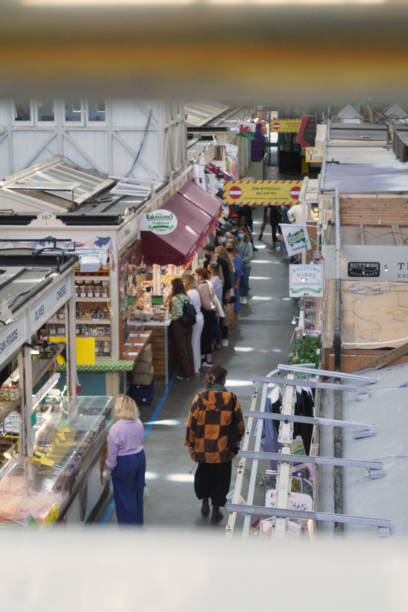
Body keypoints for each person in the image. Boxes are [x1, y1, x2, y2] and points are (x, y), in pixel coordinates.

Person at [185, 365, 245, 524]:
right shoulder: (231, 399)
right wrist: (237, 439)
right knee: (220, 480)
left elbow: (191, 423)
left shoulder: (199, 398)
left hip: (202, 450)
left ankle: (205, 504)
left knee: (204, 477)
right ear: (223, 380)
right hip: (223, 450)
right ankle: (216, 511)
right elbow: (239, 424)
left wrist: (190, 444)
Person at [105, 395, 146, 525]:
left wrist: (109, 467)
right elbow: (141, 440)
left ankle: (129, 529)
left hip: (125, 462)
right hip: (140, 458)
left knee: (124, 496)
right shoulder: (138, 422)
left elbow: (112, 454)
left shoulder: (116, 428)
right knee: (138, 493)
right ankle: (138, 523)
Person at [170, 277, 195, 381]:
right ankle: (191, 370)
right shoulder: (186, 296)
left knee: (181, 349)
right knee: (188, 347)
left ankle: (186, 374)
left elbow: (178, 314)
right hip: (189, 325)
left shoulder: (175, 299)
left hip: (180, 326)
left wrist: (172, 316)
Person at [182, 274, 204, 375]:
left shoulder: (190, 293)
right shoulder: (195, 291)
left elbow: (183, 305)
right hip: (199, 318)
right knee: (196, 343)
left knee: (194, 343)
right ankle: (197, 365)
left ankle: (195, 368)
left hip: (195, 319)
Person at [195, 267, 216, 367]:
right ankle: (206, 358)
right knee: (206, 337)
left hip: (206, 314)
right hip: (210, 314)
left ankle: (208, 360)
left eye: (195, 274)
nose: (195, 276)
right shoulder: (207, 284)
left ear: (200, 276)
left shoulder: (202, 287)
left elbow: (206, 304)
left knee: (205, 337)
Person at [215, 245, 234, 347]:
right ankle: (223, 338)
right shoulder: (222, 263)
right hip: (221, 294)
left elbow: (227, 280)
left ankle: (224, 337)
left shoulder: (223, 264)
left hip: (222, 294)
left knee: (223, 317)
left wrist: (227, 292)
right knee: (222, 316)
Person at [225, 239, 243, 319]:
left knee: (233, 303)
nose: (229, 248)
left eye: (230, 247)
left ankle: (234, 320)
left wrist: (236, 284)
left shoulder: (237, 258)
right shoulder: (224, 258)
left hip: (233, 284)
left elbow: (239, 273)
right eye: (227, 247)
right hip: (226, 284)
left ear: (233, 247)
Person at [236, 227, 253, 304]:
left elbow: (250, 256)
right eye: (239, 233)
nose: (240, 234)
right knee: (238, 281)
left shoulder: (248, 244)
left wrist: (243, 260)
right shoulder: (237, 243)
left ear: (245, 233)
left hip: (246, 266)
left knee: (245, 281)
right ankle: (240, 296)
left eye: (242, 233)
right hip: (238, 266)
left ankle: (244, 296)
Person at [208, 262, 223, 350]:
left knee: (214, 326)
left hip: (214, 306)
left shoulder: (213, 281)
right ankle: (217, 343)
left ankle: (216, 343)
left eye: (208, 268)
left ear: (212, 270)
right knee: (215, 325)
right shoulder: (217, 279)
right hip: (217, 305)